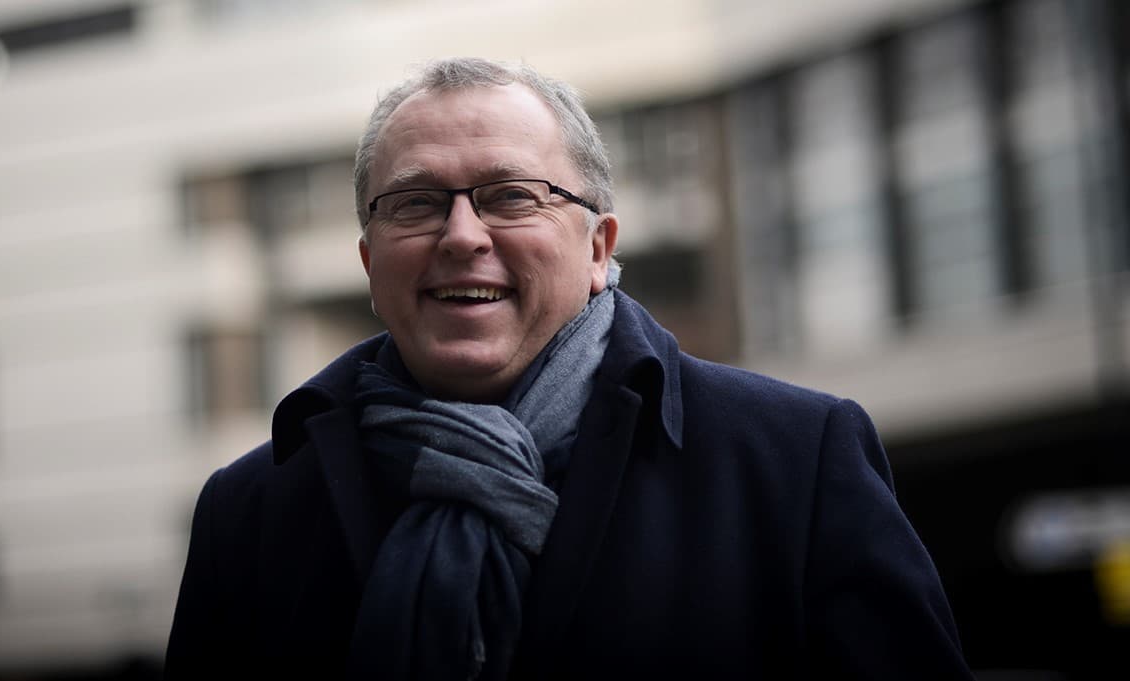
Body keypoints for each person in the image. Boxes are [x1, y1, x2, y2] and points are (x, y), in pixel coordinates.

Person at [166, 57, 974, 680]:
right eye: (416, 202)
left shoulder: (795, 460)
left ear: (598, 249)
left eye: (510, 196)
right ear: (371, 262)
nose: (462, 234)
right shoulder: (253, 510)